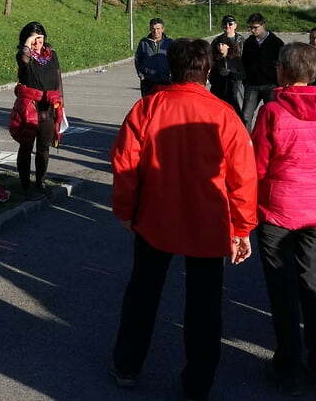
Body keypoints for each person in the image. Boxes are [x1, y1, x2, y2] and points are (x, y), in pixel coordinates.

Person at [110, 38, 257, 399]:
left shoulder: (148, 108)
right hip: (208, 220)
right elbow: (243, 176)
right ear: (207, 71)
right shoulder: (224, 114)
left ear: (170, 68)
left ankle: (127, 364)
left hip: (156, 216)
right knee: (204, 305)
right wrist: (241, 227)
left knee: (143, 293)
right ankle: (198, 382)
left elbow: (126, 164)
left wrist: (125, 210)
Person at [251, 43, 316, 394]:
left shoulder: (272, 111)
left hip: (279, 208)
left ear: (282, 71)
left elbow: (259, 165)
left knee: (283, 290)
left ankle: (288, 365)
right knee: (314, 285)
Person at [9, 21, 64, 198]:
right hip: (29, 108)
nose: (37, 42)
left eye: (40, 38)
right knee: (26, 147)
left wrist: (61, 104)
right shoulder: (25, 56)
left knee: (44, 148)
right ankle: (25, 186)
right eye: (33, 38)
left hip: (48, 108)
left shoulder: (52, 55)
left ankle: (40, 182)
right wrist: (28, 42)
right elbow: (23, 59)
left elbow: (58, 79)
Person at [241, 13, 285, 128]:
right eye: (250, 28)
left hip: (270, 85)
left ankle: (270, 138)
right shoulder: (248, 42)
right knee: (245, 116)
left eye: (255, 27)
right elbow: (244, 61)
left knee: (272, 117)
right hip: (252, 85)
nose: (252, 30)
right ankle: (247, 139)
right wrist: (246, 80)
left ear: (263, 25)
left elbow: (283, 64)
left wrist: (279, 82)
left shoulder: (276, 43)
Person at [210, 15, 245, 114]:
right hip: (220, 78)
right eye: (225, 24)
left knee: (238, 106)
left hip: (237, 78)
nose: (227, 26)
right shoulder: (217, 40)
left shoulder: (241, 40)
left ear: (235, 25)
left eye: (230, 24)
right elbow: (211, 57)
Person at [135, 18, 174, 96]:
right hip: (148, 81)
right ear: (150, 29)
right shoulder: (144, 42)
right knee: (148, 103)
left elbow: (175, 60)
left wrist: (172, 75)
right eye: (153, 29)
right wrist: (141, 75)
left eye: (158, 28)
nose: (155, 31)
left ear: (162, 29)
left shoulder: (170, 43)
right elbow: (138, 59)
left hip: (165, 81)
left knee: (163, 103)